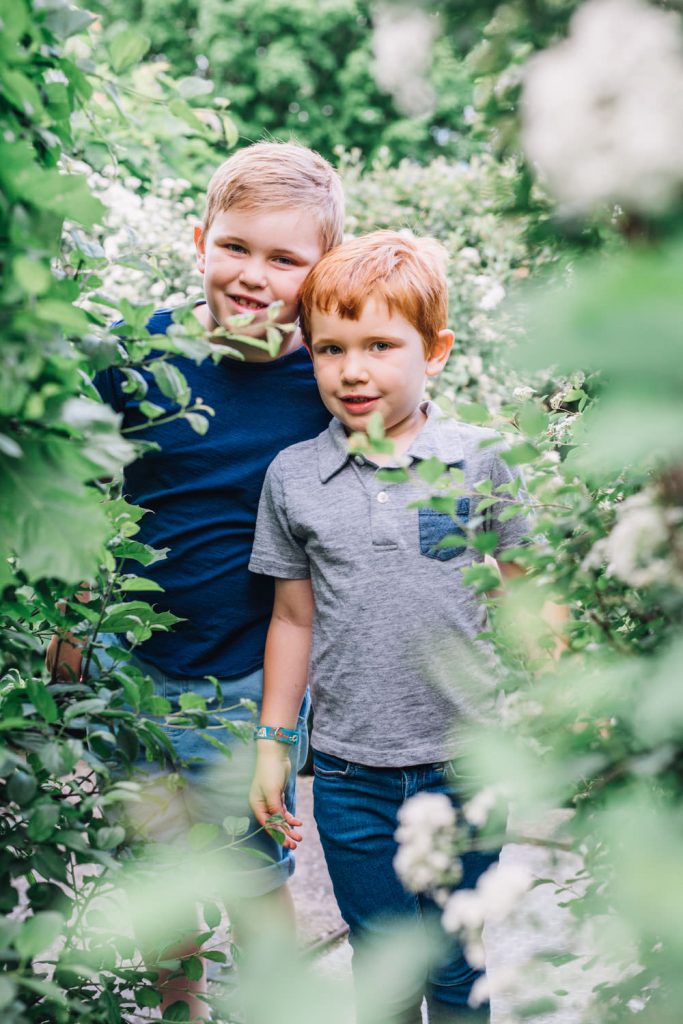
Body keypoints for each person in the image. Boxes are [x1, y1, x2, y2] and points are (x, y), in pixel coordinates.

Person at [46, 140, 345, 1017]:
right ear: (199, 240)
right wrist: (68, 638)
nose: (253, 276)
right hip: (132, 673)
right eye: (236, 247)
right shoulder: (137, 359)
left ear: (320, 270)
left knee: (256, 880)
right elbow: (77, 496)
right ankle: (181, 1006)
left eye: (285, 258)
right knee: (158, 876)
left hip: (249, 688)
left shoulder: (327, 382)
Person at [248, 231, 533, 1023]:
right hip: (349, 776)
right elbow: (292, 618)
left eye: (379, 344)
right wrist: (273, 745)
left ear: (433, 351)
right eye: (330, 349)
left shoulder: (477, 461)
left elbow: (521, 595)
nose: (352, 370)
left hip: (467, 765)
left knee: (454, 965)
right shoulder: (293, 478)